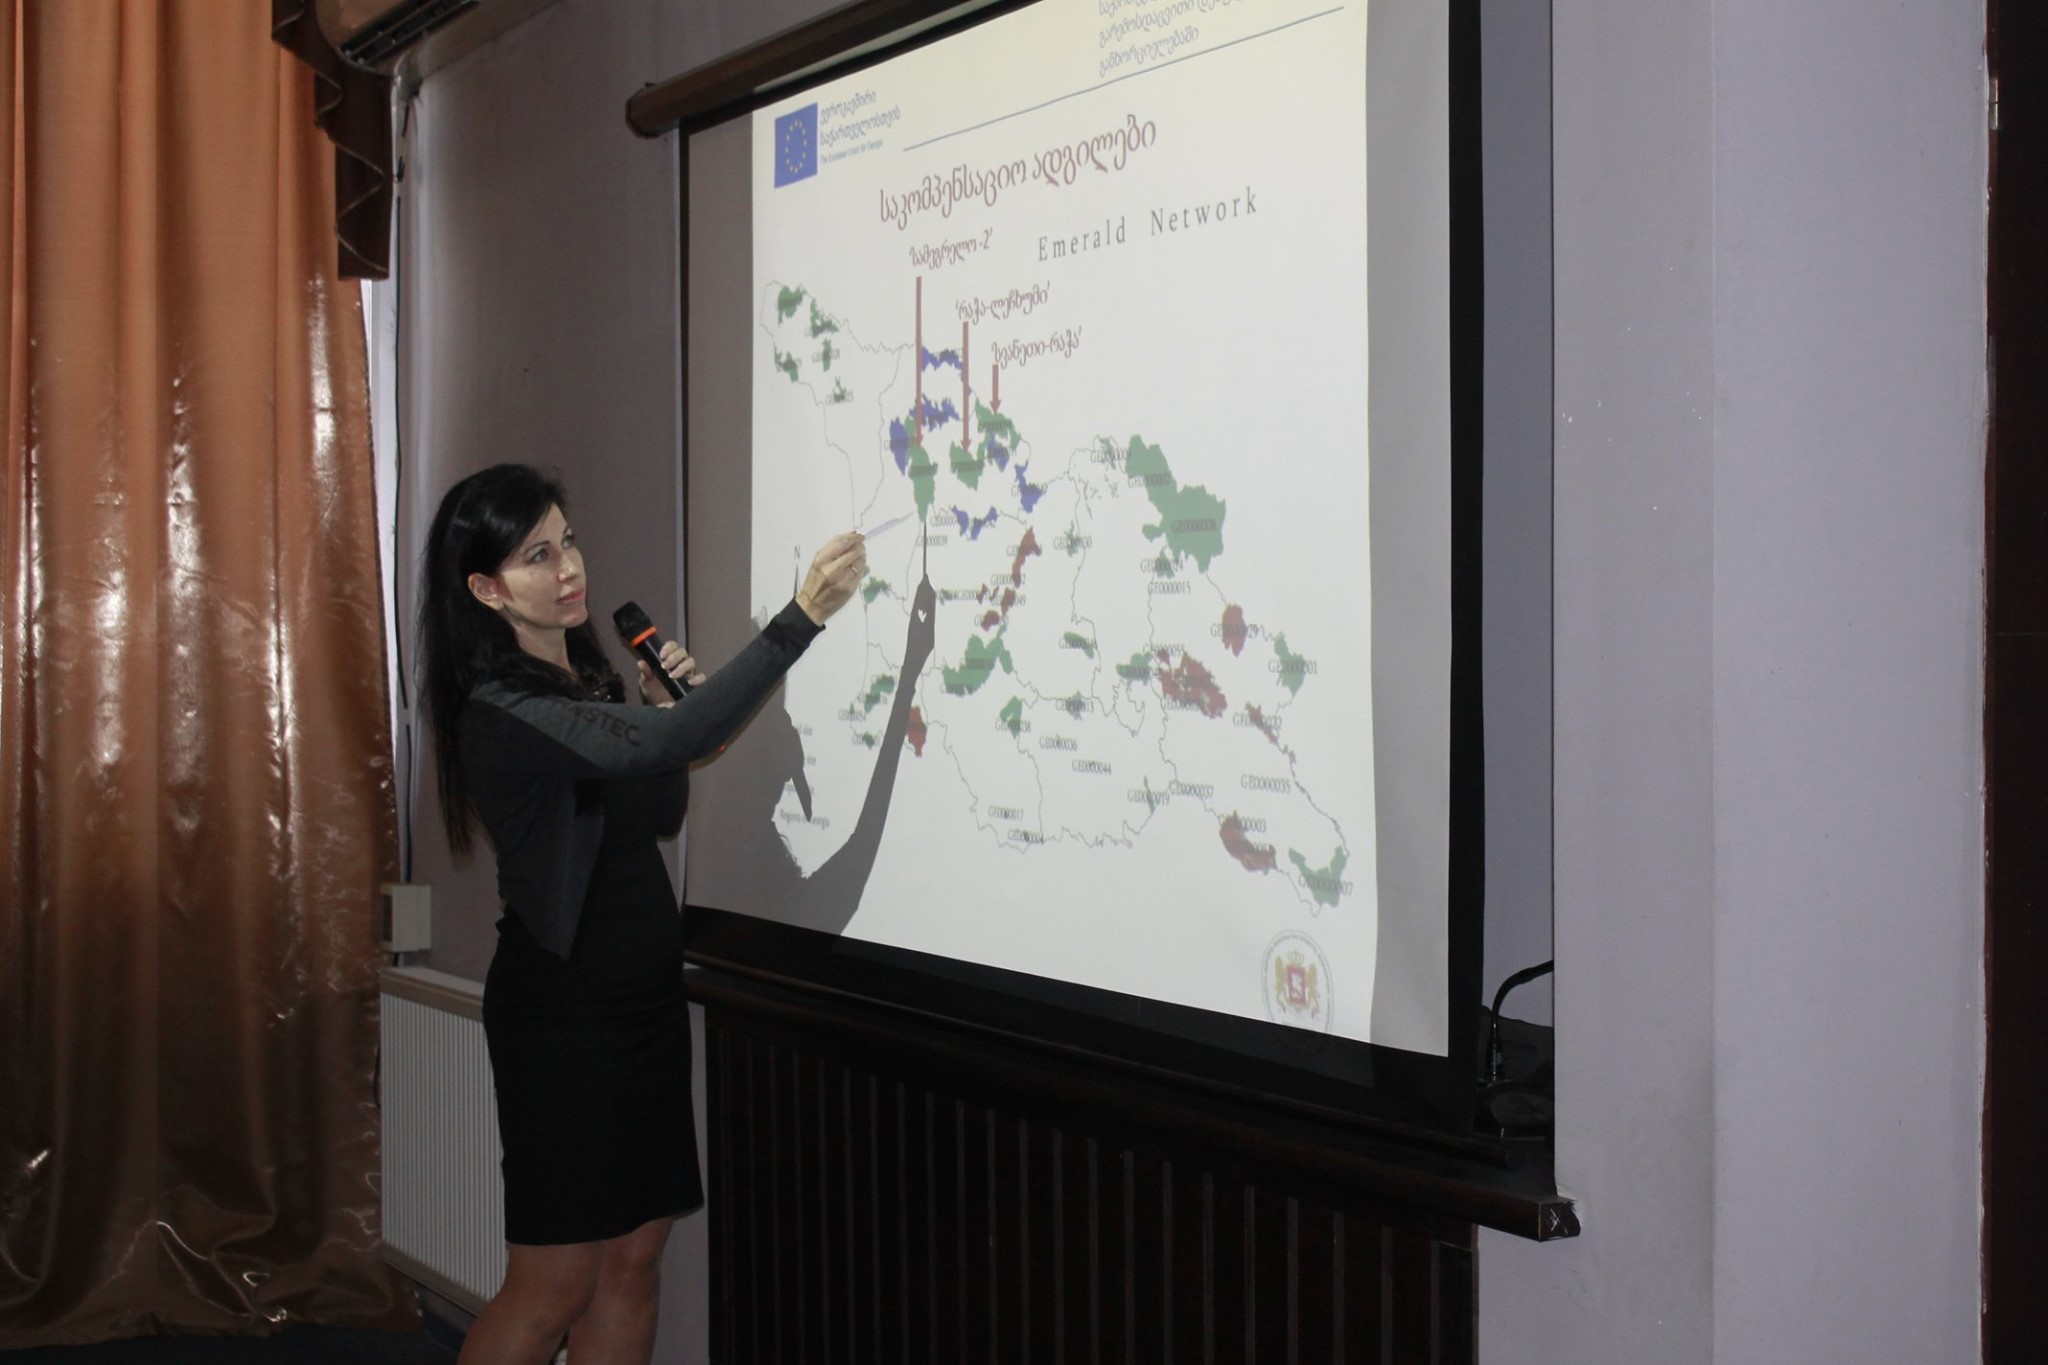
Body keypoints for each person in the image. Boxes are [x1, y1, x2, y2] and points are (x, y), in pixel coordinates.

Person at [416, 464, 864, 1365]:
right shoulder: (501, 709)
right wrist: (801, 617)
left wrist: (655, 709)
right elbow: (692, 737)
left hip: (642, 1006)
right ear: (487, 589)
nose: (568, 568)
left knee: (633, 1262)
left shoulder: (588, 680)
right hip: (563, 1019)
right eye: (537, 556)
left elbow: (655, 813)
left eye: (568, 541)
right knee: (553, 1284)